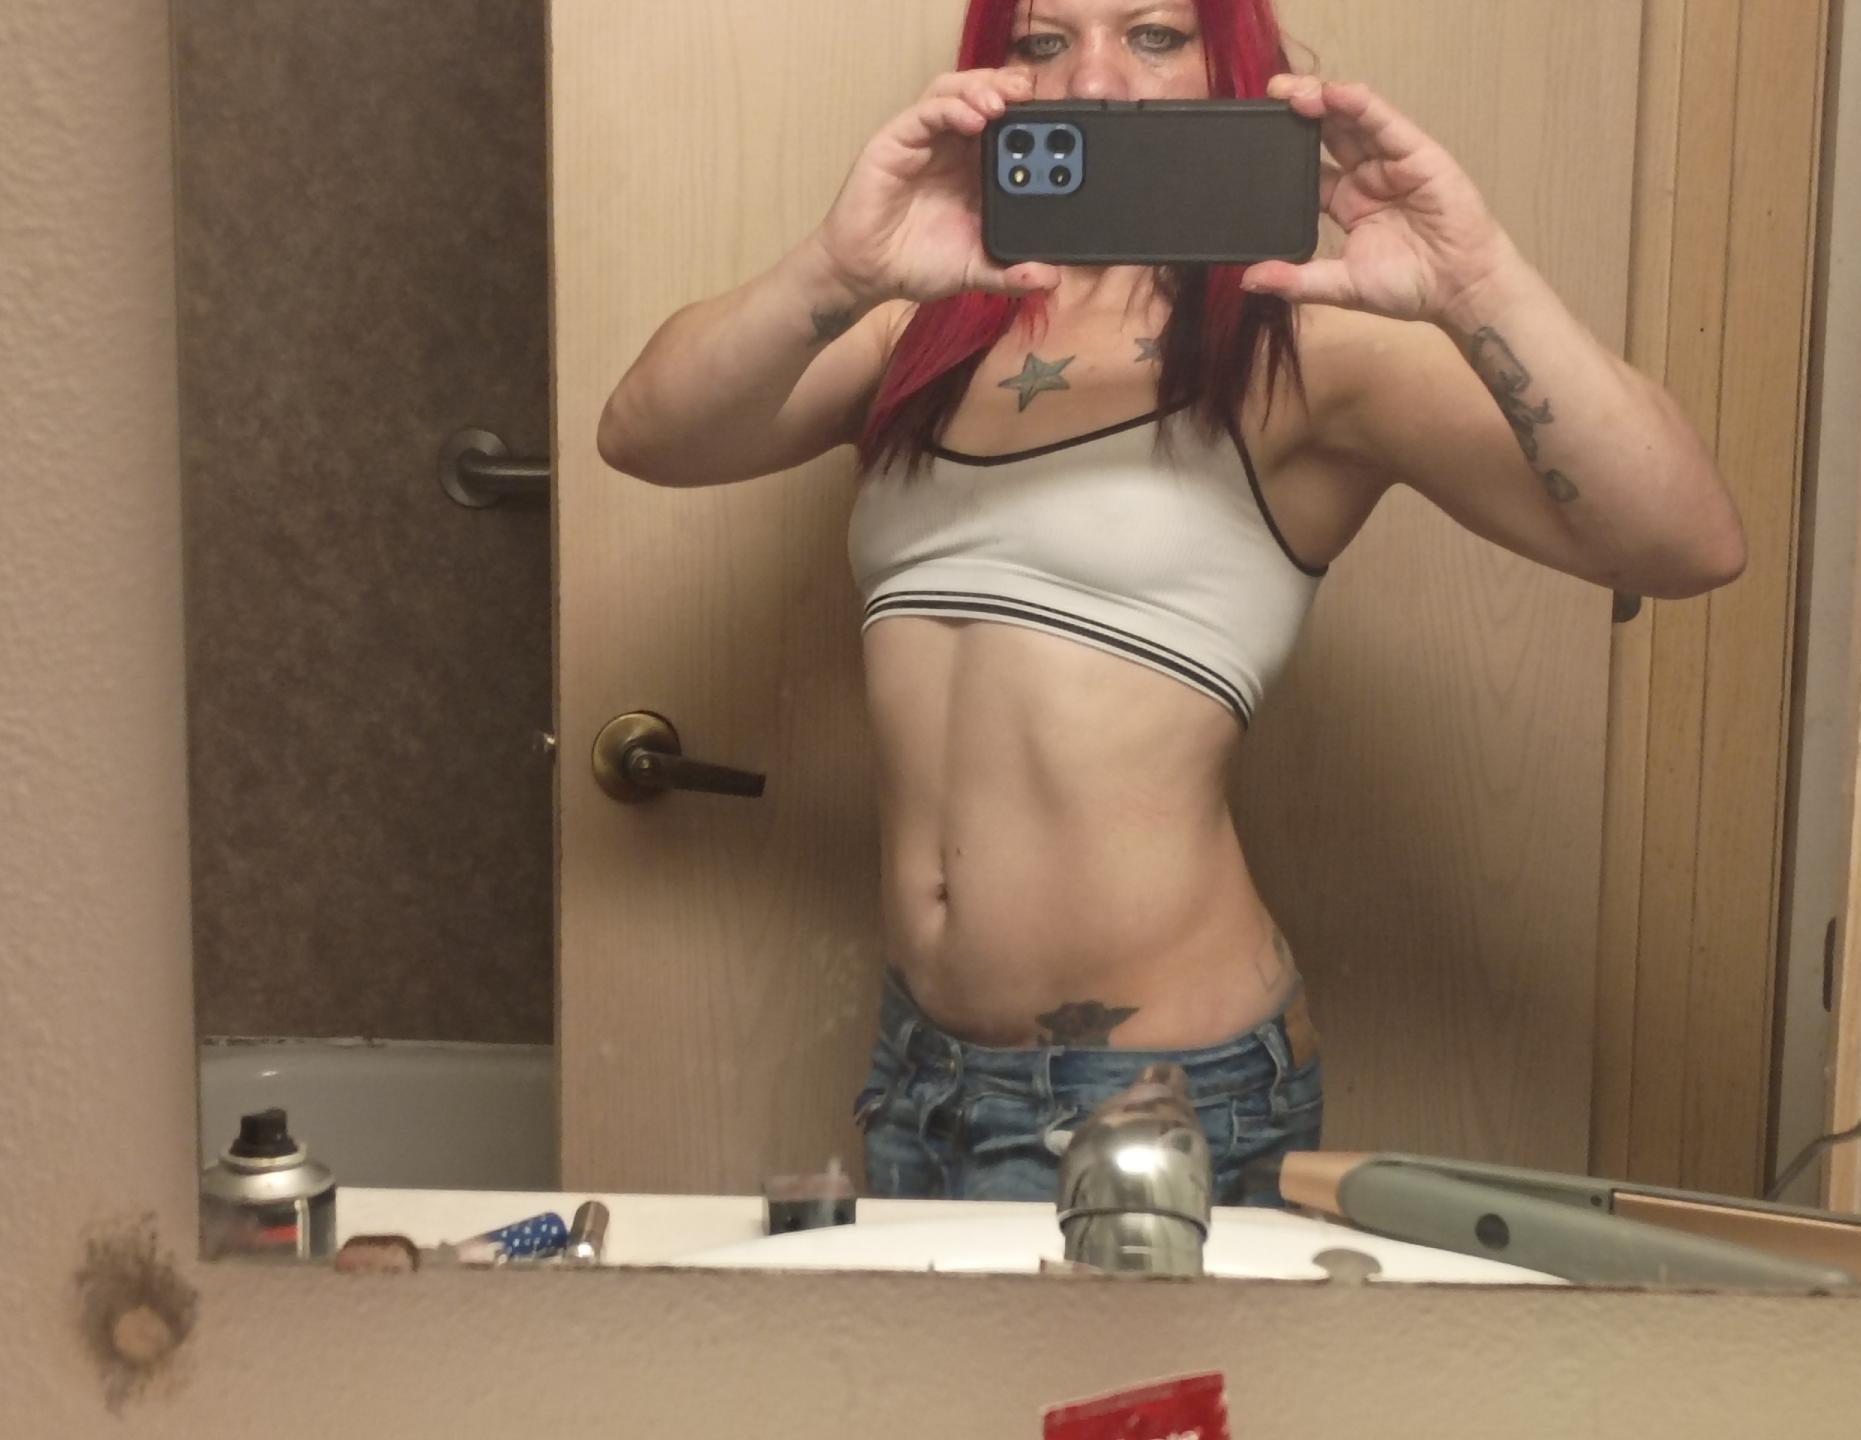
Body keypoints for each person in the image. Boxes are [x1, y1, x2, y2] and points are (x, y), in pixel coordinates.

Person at [596, 0, 1746, 1207]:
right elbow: (647, 434)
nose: (1094, 80)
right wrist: (837, 266)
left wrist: (1476, 280)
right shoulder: (916, 326)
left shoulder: (1304, 345)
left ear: (1230, 62)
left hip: (1149, 1092)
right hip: (922, 1069)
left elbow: (1686, 541)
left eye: (1152, 34)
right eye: (1042, 41)